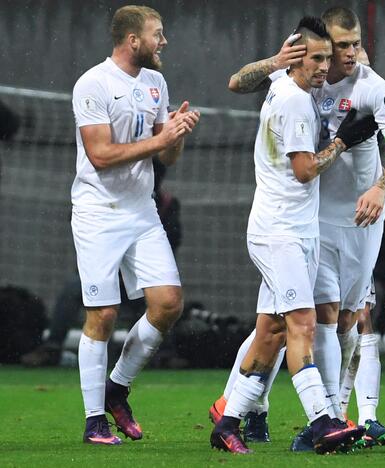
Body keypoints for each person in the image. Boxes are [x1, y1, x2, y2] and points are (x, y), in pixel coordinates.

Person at [210, 6, 385, 451]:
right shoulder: (296, 84)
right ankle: (327, 419)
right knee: (311, 319)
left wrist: (381, 187)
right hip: (304, 221)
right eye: (339, 48)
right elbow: (237, 84)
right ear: (309, 52)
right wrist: (275, 59)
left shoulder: (372, 88)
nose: (350, 55)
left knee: (307, 324)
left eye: (356, 43)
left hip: (357, 222)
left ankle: (231, 413)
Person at [70, 5, 200, 445]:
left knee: (168, 303)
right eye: (157, 34)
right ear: (132, 41)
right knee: (103, 315)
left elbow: (165, 156)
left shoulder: (155, 82)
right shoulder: (93, 83)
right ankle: (94, 421)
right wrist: (160, 139)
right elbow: (101, 155)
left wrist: (175, 136)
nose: (163, 42)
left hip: (141, 210)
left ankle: (117, 388)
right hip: (97, 213)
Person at [21, 157, 181, 368]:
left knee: (167, 297)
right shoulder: (99, 199)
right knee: (74, 288)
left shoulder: (167, 205)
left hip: (141, 278)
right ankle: (52, 347)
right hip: (105, 272)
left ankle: (165, 354)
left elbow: (170, 245)